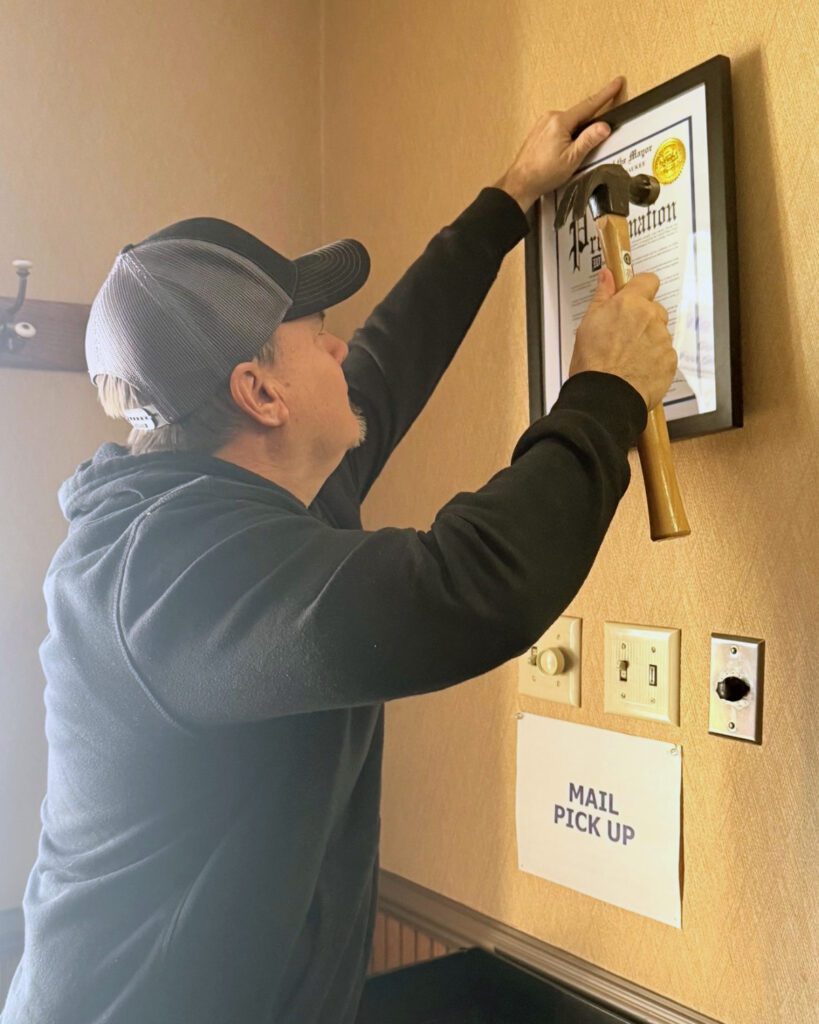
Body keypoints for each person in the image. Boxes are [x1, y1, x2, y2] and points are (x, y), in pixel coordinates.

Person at [1, 76, 676, 1024]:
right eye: (316, 335)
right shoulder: (167, 574)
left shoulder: (259, 493)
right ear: (260, 393)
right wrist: (604, 394)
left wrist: (509, 198)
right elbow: (466, 589)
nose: (340, 350)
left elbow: (387, 364)